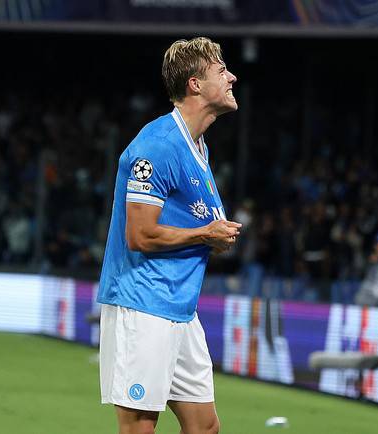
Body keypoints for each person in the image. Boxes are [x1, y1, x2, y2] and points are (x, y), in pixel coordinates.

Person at [96, 37, 241, 434]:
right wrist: (204, 234)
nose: (232, 77)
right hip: (143, 303)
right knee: (140, 428)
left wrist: (211, 235)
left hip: (180, 307)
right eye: (221, 71)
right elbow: (140, 236)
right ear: (195, 84)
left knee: (205, 427)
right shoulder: (157, 147)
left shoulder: (197, 147)